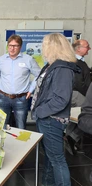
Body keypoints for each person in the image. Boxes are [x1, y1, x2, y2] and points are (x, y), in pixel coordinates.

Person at [31, 33, 80, 186]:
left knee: (57, 160)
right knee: (50, 158)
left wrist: (40, 111)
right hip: (47, 118)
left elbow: (61, 99)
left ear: (53, 47)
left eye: (45, 45)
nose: (43, 48)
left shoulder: (63, 68)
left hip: (51, 120)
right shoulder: (53, 65)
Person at [0, 34, 40, 129]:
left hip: (21, 98)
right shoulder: (1, 60)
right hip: (3, 97)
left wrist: (31, 90)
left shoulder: (28, 59)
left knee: (21, 127)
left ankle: (21, 144)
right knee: (2, 126)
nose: (12, 48)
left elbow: (39, 75)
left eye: (15, 46)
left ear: (20, 47)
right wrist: (0, 85)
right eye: (10, 45)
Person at [65, 39, 91, 155]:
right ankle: (71, 137)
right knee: (84, 117)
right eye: (87, 47)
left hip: (74, 93)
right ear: (78, 48)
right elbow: (80, 82)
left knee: (75, 117)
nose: (89, 49)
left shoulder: (77, 61)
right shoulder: (75, 62)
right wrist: (88, 97)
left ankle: (69, 137)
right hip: (77, 94)